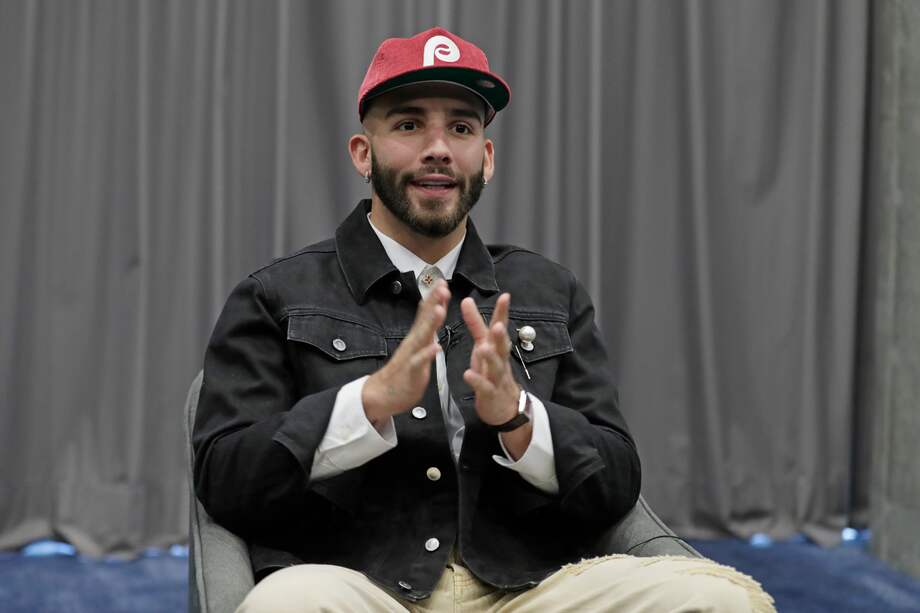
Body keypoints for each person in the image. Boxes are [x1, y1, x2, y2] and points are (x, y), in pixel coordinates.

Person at [193, 26, 775, 612]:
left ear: (486, 159)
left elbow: (616, 480)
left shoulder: (548, 291)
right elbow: (224, 480)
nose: (439, 147)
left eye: (462, 128)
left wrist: (521, 420)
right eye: (409, 124)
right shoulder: (276, 295)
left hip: (528, 594)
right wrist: (364, 406)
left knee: (714, 600)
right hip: (360, 591)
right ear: (363, 154)